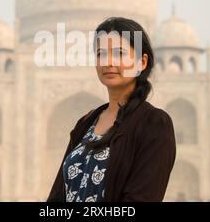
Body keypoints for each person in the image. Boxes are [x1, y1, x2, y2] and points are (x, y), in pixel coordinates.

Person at [47, 16, 176, 202]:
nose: (108, 62)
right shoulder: (86, 124)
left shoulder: (154, 123)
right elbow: (57, 196)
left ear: (142, 62)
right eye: (101, 54)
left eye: (119, 54)